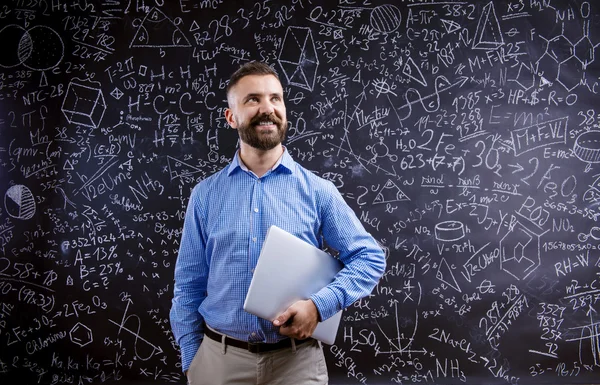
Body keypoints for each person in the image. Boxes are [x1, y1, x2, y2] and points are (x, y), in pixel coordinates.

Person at [170, 61, 386, 385]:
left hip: (297, 365)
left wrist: (318, 306)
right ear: (231, 117)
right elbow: (188, 286)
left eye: (275, 98)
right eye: (253, 99)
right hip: (218, 364)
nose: (267, 108)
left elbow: (370, 258)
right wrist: (193, 360)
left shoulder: (318, 191)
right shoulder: (205, 196)